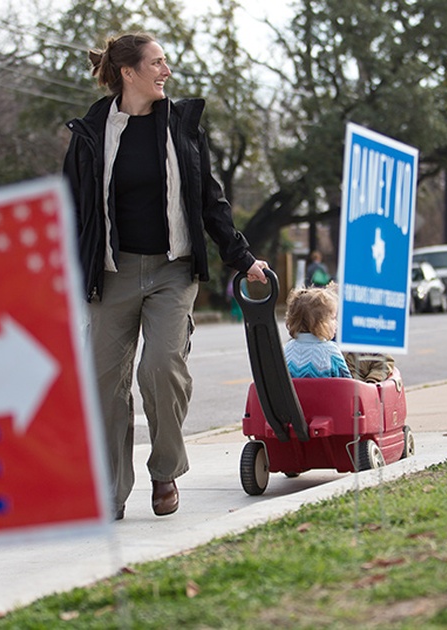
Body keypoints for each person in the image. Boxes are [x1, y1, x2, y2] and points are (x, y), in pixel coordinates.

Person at [62, 32, 270, 521]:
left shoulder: (181, 126)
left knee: (161, 367)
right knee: (103, 382)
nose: (166, 71)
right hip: (109, 275)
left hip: (171, 271)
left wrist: (243, 259)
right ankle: (111, 490)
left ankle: (165, 470)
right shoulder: (92, 132)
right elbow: (70, 210)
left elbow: (209, 200)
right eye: (157, 63)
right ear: (129, 73)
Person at [283, 286, 352, 379]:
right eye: (333, 318)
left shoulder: (287, 349)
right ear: (321, 323)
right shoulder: (331, 351)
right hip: (325, 393)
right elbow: (347, 384)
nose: (336, 323)